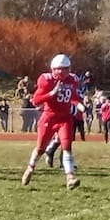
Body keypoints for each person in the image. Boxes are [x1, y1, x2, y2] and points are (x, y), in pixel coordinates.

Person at [21, 54, 85, 189]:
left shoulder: (72, 79)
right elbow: (36, 100)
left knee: (67, 146)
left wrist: (78, 105)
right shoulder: (46, 80)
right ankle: (30, 167)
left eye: (66, 69)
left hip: (65, 118)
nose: (63, 72)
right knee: (40, 148)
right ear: (53, 69)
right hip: (49, 117)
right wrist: (51, 93)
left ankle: (70, 177)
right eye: (60, 69)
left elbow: (72, 96)